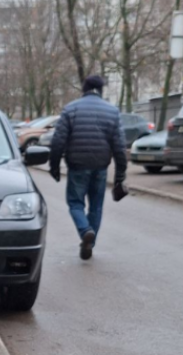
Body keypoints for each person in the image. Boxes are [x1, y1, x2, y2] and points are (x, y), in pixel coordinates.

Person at [49, 75, 127, 261]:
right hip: (100, 167)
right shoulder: (112, 112)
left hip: (77, 166)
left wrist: (54, 167)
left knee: (75, 203)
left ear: (84, 88)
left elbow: (58, 141)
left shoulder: (71, 109)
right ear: (101, 90)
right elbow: (119, 147)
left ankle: (85, 231)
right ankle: (90, 243)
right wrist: (120, 175)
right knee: (96, 206)